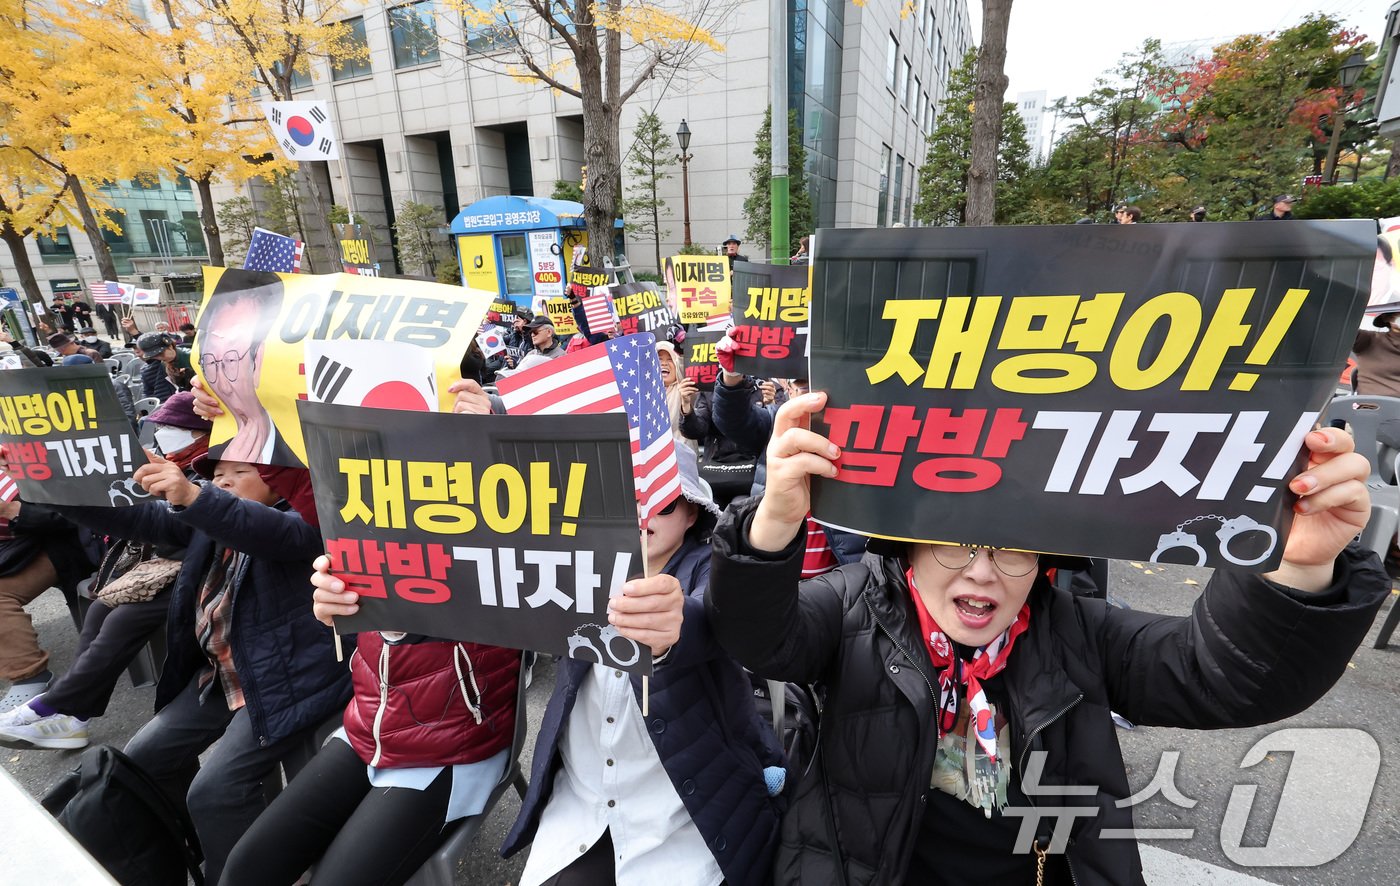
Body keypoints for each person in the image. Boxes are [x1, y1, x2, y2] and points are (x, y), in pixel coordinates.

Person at [705, 393, 1387, 885]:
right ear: (906, 553)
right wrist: (771, 525)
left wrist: (1299, 566)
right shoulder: (851, 607)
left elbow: (1223, 676)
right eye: (953, 547)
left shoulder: (1077, 630)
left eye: (1012, 553)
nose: (982, 573)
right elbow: (759, 639)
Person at [53, 452, 350, 885]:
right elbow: (138, 518)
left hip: (288, 680)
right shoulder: (208, 518)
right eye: (216, 475)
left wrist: (194, 495)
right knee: (143, 760)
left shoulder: (308, 522)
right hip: (223, 674)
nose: (223, 482)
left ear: (279, 480)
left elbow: (267, 532)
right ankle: (191, 856)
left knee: (216, 790)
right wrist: (50, 489)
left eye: (239, 473)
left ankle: (238, 874)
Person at [223, 587, 520, 885]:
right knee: (245, 868)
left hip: (453, 743)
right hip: (368, 725)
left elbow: (523, 619)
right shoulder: (364, 541)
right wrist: (341, 608)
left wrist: (405, 619)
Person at [0, 394, 211, 749]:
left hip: (206, 564)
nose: (165, 433)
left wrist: (14, 511)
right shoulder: (172, 462)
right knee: (101, 607)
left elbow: (198, 525)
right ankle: (72, 716)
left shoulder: (208, 464)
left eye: (176, 428)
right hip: (169, 558)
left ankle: (48, 703)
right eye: (161, 427)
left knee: (122, 617)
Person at [0, 502, 103, 712]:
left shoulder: (39, 469)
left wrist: (9, 510)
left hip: (50, 543)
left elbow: (81, 514)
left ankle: (30, 676)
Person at [195, 271, 296, 464]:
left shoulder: (308, 450)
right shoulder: (219, 456)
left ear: (260, 359)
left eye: (231, 361)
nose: (223, 387)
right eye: (209, 362)